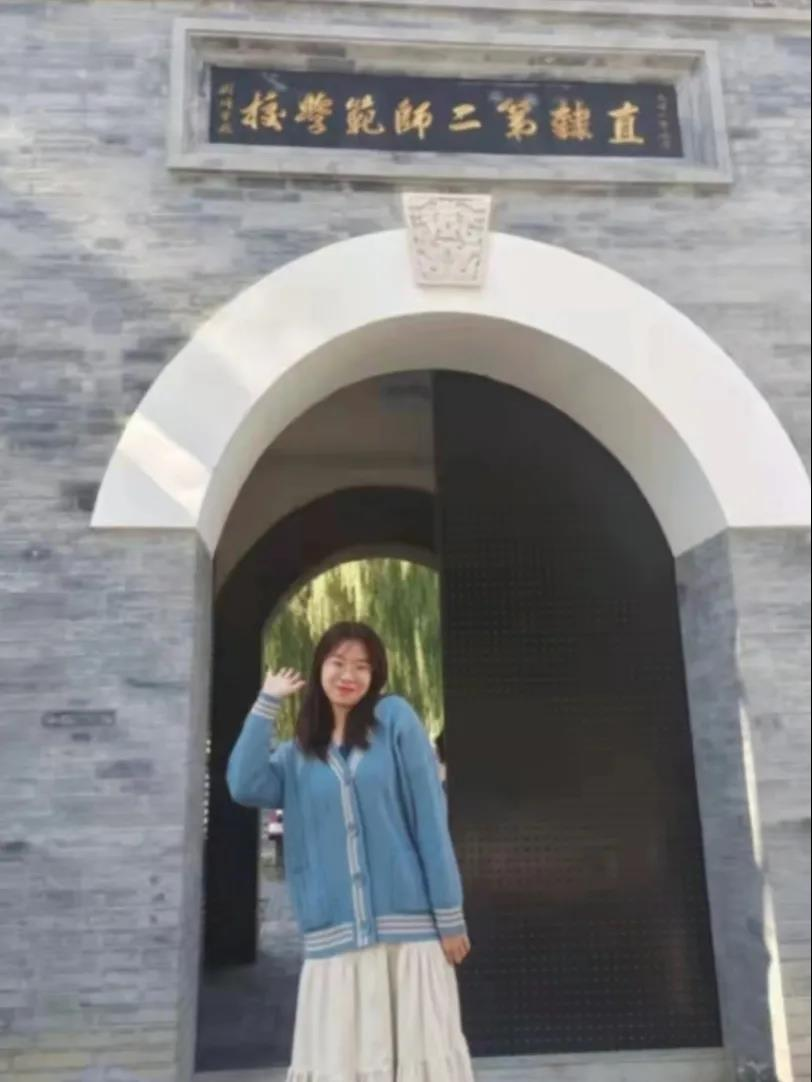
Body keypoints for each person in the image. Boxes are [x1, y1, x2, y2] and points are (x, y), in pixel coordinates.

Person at [227, 621, 474, 1082]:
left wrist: (449, 914)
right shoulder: (296, 755)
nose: (349, 675)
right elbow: (243, 784)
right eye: (338, 663)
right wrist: (267, 703)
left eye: (362, 666)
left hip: (409, 937)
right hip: (335, 941)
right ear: (319, 667)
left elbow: (429, 821)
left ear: (375, 675)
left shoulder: (395, 720)